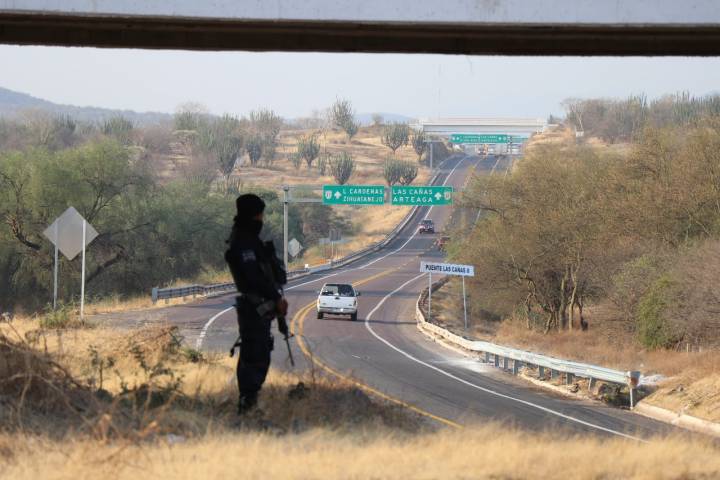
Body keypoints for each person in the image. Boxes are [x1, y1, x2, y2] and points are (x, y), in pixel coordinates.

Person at [225, 194, 288, 414]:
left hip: (259, 307)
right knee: (255, 353)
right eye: (259, 215)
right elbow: (253, 277)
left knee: (258, 351)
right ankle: (247, 403)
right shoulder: (243, 241)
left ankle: (250, 401)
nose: (261, 219)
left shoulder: (249, 239)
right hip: (254, 307)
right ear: (252, 215)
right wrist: (276, 297)